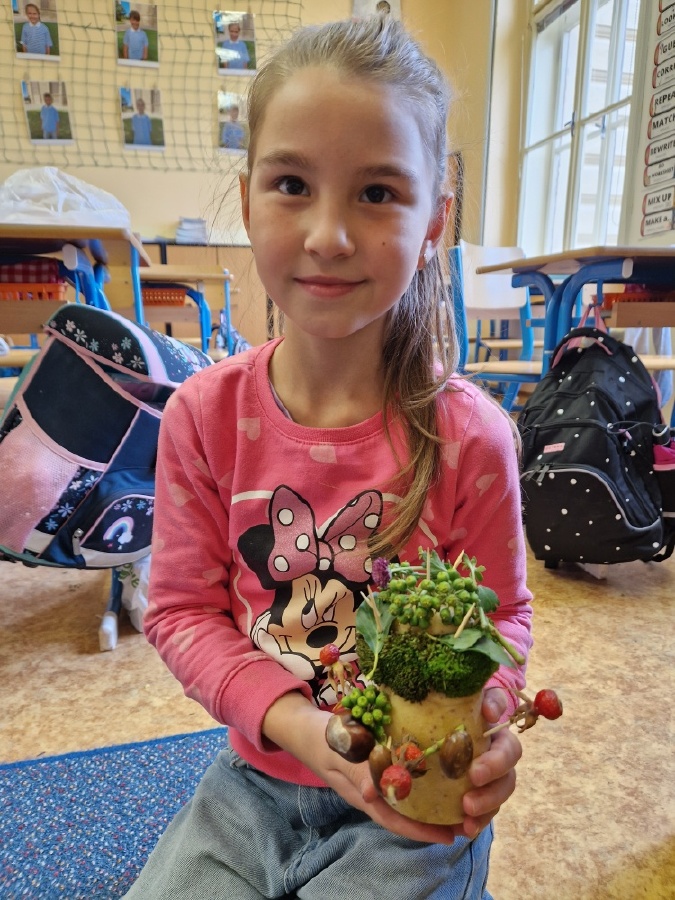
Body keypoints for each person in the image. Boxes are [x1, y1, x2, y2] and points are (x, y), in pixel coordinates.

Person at [125, 15, 532, 900]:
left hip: (411, 805)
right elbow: (182, 611)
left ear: (435, 219)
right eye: (291, 184)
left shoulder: (471, 437)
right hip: (253, 784)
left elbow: (503, 621)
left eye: (377, 192)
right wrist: (298, 729)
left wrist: (491, 712)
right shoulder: (202, 416)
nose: (328, 235)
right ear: (247, 199)